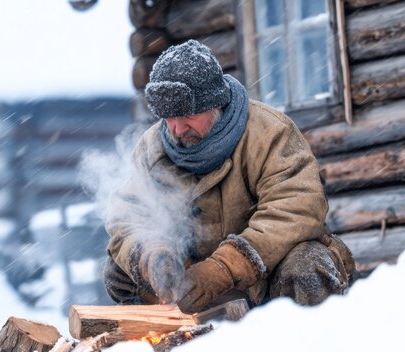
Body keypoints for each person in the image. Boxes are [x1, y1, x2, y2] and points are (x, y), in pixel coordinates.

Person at [103, 39, 355, 313]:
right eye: (167, 117)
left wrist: (224, 267)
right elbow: (127, 217)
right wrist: (152, 255)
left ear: (215, 103)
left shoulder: (270, 132)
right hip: (194, 289)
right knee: (120, 270)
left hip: (266, 281)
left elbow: (296, 209)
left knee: (307, 266)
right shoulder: (152, 147)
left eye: (186, 115)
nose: (176, 128)